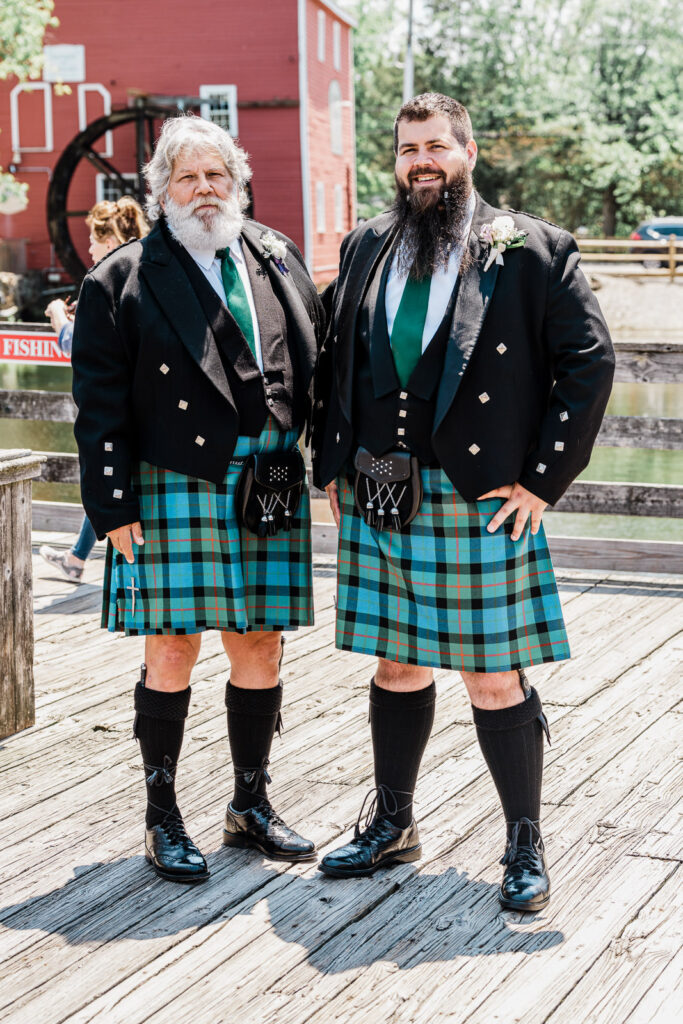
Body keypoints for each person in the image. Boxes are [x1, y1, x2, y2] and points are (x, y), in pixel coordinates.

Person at [312, 93, 614, 911]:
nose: (421, 162)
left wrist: (542, 481)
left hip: (476, 492)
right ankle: (393, 824)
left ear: (468, 153)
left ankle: (523, 842)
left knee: (491, 671)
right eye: (408, 148)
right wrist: (333, 465)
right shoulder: (367, 242)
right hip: (380, 490)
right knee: (395, 661)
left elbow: (588, 364)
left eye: (436, 146)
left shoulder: (530, 249)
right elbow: (338, 362)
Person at [71, 115, 325, 883]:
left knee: (261, 641)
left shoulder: (274, 254)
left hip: (270, 472)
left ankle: (250, 804)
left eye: (217, 174)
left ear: (237, 183)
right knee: (172, 646)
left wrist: (331, 461)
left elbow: (317, 358)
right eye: (187, 177)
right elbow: (98, 402)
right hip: (172, 477)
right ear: (161, 191)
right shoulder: (122, 276)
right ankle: (162, 815)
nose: (204, 189)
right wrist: (113, 506)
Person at [40, 198, 150, 583]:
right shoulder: (147, 271)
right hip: (146, 410)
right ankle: (77, 557)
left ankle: (82, 560)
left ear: (110, 240)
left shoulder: (109, 280)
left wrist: (58, 316)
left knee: (109, 473)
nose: (87, 248)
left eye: (92, 239)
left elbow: (82, 348)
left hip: (122, 413)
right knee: (112, 478)